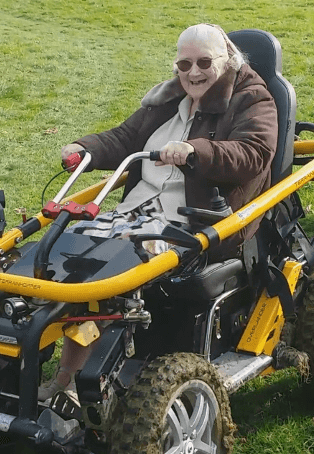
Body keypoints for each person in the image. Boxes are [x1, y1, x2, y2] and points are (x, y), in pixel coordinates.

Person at [38, 23, 279, 401]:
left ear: (228, 59)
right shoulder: (168, 99)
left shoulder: (253, 99)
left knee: (116, 264)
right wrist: (84, 149)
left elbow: (253, 154)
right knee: (69, 250)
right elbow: (125, 137)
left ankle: (88, 380)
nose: (193, 73)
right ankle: (62, 369)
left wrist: (197, 151)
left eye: (203, 62)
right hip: (138, 210)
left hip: (194, 220)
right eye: (184, 65)